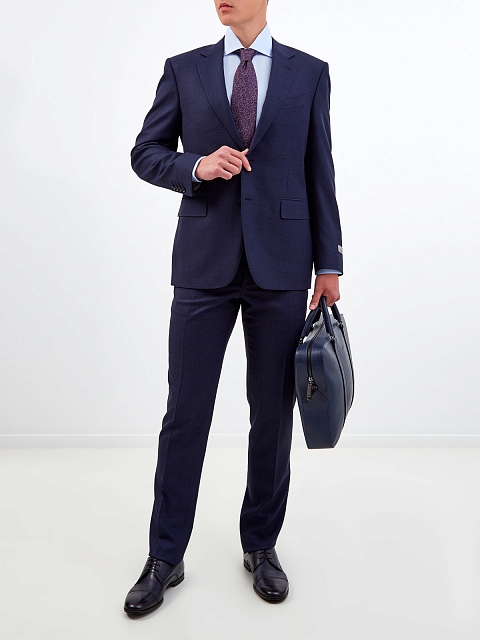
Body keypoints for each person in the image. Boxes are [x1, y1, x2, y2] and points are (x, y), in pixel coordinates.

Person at [124, 0, 343, 616]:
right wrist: (195, 165)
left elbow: (320, 169)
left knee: (272, 416)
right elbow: (145, 151)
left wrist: (329, 264)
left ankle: (261, 545)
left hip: (282, 263)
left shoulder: (308, 72)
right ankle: (165, 555)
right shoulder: (184, 69)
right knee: (185, 414)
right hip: (204, 264)